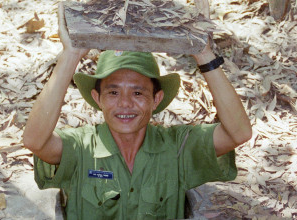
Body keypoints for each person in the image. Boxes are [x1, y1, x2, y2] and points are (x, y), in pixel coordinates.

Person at [23, 2, 252, 219]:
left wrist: (204, 55)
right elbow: (35, 141)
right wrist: (70, 55)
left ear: (156, 99)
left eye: (138, 93)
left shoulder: (177, 149)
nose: (125, 103)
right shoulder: (81, 148)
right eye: (113, 93)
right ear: (97, 98)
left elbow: (238, 133)